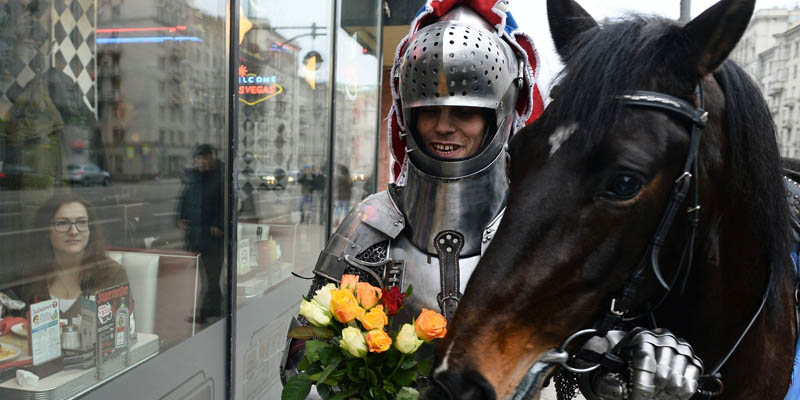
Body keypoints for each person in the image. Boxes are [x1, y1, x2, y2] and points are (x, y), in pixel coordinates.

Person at [281, 2, 702, 399]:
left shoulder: (535, 222)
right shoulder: (371, 222)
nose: (443, 127)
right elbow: (300, 361)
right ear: (409, 115)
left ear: (497, 113)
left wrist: (627, 364)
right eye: (429, 111)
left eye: (464, 112)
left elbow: (579, 352)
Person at [11, 193, 129, 320]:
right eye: (63, 223)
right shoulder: (33, 275)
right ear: (46, 231)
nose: (74, 231)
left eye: (82, 222)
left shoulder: (112, 274)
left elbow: (124, 328)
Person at [177, 144, 224, 323]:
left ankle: (203, 311)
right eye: (198, 159)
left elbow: (228, 204)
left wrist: (220, 225)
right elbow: (183, 198)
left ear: (211, 159)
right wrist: (179, 217)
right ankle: (217, 306)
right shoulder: (192, 178)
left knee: (211, 276)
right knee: (208, 276)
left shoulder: (220, 178)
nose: (202, 162)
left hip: (214, 237)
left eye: (205, 158)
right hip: (196, 236)